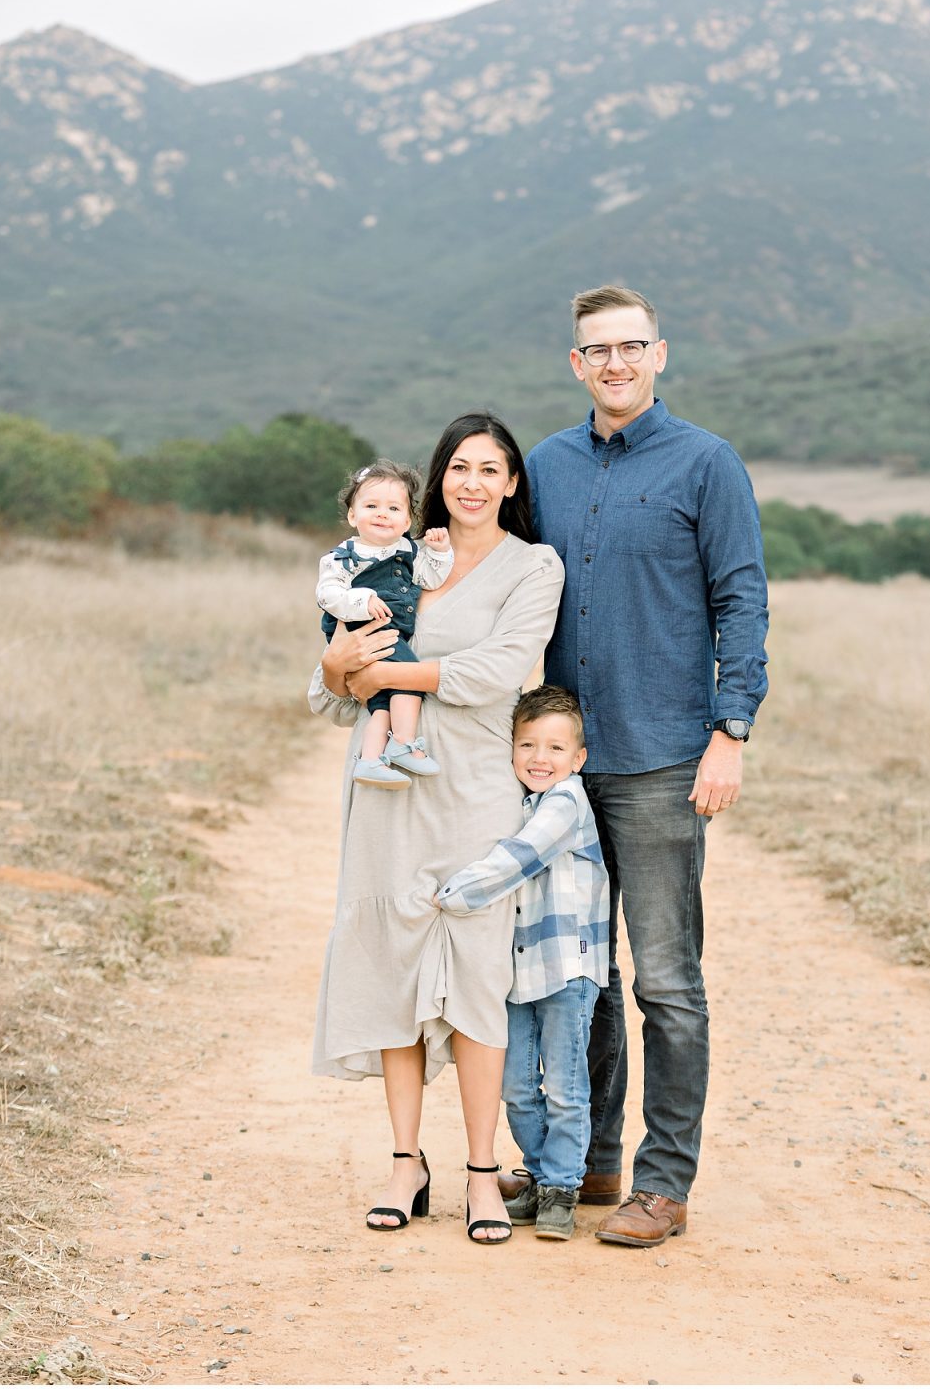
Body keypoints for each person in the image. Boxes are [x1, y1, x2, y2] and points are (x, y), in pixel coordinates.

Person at [524, 284, 769, 1248]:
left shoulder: (707, 463)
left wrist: (730, 730)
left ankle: (664, 1184)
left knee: (665, 982)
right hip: (563, 767)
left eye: (632, 346)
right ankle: (590, 1162)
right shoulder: (545, 465)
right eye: (598, 350)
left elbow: (741, 600)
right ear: (576, 363)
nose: (616, 363)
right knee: (577, 975)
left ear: (659, 355)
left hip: (664, 759)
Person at [309, 411, 564, 1245]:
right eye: (459, 467)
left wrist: (375, 673)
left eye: (490, 469)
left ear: (512, 482)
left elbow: (498, 672)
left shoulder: (534, 566)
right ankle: (405, 1163)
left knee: (479, 975)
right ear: (439, 476)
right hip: (387, 795)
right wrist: (337, 669)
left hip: (474, 788)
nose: (472, 483)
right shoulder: (399, 554)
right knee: (393, 965)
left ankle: (482, 1172)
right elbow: (328, 688)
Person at [433, 684, 609, 1241]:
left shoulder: (565, 803)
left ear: (578, 758)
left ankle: (562, 1187)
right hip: (517, 973)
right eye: (527, 744)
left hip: (566, 969)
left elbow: (520, 858)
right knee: (515, 1086)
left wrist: (451, 894)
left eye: (556, 748)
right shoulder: (519, 801)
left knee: (565, 1087)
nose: (539, 758)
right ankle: (540, 1174)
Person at [316, 458, 453, 788]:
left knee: (381, 704)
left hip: (388, 633)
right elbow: (327, 593)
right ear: (353, 515)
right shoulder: (345, 555)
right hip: (363, 630)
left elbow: (430, 579)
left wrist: (440, 552)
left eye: (393, 508)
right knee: (409, 680)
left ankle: (370, 760)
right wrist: (361, 600)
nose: (382, 514)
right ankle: (403, 744)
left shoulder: (407, 551)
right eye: (371, 506)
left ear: (407, 521)